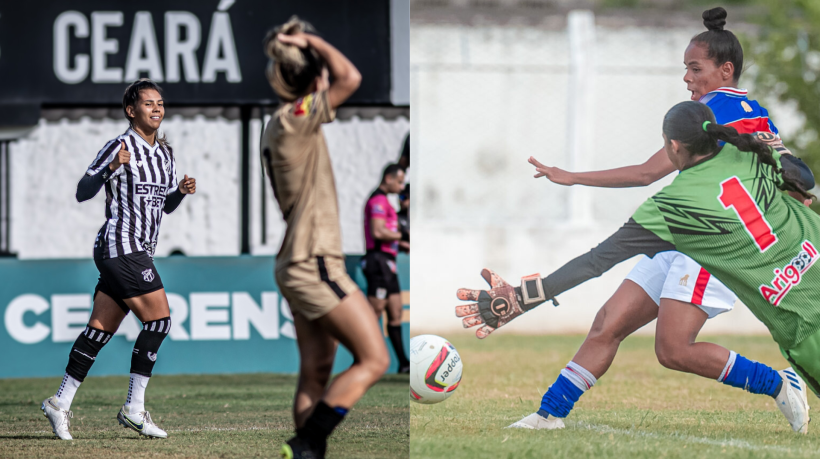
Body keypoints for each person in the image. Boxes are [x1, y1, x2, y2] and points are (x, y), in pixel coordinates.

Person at [492, 7, 814, 432]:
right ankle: (549, 415)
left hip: (714, 244)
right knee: (610, 322)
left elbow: (648, 173)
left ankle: (776, 383)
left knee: (674, 349)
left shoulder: (715, 109)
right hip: (686, 230)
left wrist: (571, 177)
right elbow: (792, 178)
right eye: (685, 69)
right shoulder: (753, 111)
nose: (686, 78)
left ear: (725, 70)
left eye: (694, 68)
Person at [260, 17, 389, 459]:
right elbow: (351, 77)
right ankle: (307, 443)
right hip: (314, 261)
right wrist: (312, 40)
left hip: (295, 262)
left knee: (315, 372)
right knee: (376, 360)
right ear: (316, 79)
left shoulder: (280, 122)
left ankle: (307, 451)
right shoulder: (298, 117)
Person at [41, 78, 197, 440]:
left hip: (136, 249)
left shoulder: (166, 154)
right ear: (131, 111)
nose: (157, 108)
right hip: (119, 244)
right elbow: (83, 191)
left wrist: (179, 193)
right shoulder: (120, 145)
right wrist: (111, 167)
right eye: (148, 103)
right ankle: (134, 408)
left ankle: (59, 402)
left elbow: (163, 206)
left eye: (160, 103)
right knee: (159, 322)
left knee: (99, 330)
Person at [363, 164, 409, 373]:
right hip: (378, 261)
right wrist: (405, 236)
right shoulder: (378, 200)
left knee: (396, 311)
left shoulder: (386, 202)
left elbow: (389, 235)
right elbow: (378, 232)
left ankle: (403, 363)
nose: (401, 187)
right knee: (374, 313)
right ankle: (364, 360)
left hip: (388, 262)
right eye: (399, 182)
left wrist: (406, 244)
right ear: (388, 179)